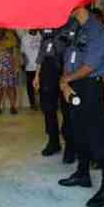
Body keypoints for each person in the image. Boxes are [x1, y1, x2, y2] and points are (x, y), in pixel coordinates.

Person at [57, 7, 104, 207]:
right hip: (73, 85)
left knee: (98, 134)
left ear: (80, 4)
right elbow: (68, 56)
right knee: (78, 130)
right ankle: (83, 173)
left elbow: (91, 65)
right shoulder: (73, 27)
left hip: (90, 85)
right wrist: (65, 82)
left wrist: (67, 79)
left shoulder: (97, 29)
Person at [33, 27, 75, 162]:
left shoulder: (71, 25)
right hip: (48, 67)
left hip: (67, 66)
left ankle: (70, 146)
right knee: (48, 108)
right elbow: (42, 51)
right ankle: (53, 142)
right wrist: (37, 75)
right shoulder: (46, 27)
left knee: (67, 109)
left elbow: (74, 49)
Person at [19, 29, 42, 110]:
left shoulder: (41, 35)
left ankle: (42, 103)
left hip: (41, 66)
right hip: (29, 67)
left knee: (42, 86)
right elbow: (22, 52)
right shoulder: (24, 38)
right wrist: (23, 63)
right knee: (30, 87)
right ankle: (33, 104)